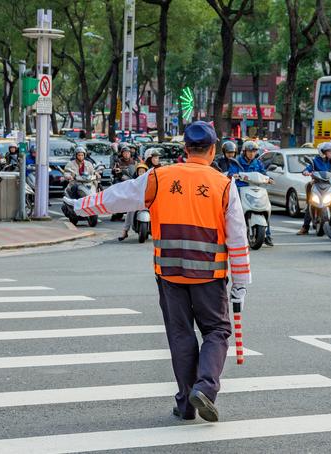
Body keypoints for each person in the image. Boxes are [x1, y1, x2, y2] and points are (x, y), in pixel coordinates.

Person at [63, 121, 250, 422]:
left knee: (180, 335)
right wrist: (240, 283)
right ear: (213, 151)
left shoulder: (159, 177)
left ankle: (187, 404)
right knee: (217, 331)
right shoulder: (223, 184)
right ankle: (205, 387)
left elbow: (116, 197)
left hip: (169, 273)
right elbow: (238, 239)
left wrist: (78, 205)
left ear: (185, 150)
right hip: (209, 276)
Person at [229, 140, 273, 246]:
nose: (252, 154)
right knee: (234, 210)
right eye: (249, 151)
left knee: (265, 208)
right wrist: (233, 175)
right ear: (244, 152)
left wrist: (269, 178)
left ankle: (268, 235)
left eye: (254, 151)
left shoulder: (257, 162)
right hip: (241, 188)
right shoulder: (237, 162)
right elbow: (231, 171)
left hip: (255, 188)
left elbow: (263, 172)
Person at [297, 142, 331, 235]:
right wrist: (306, 172)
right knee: (311, 203)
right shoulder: (315, 161)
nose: (330, 153)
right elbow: (308, 168)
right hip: (317, 184)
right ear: (322, 152)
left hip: (329, 185)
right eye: (328, 151)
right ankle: (305, 227)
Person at [118, 162, 150, 241]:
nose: (142, 173)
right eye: (140, 171)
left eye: (143, 171)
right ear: (137, 172)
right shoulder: (134, 182)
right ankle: (125, 231)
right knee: (130, 211)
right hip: (137, 203)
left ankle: (160, 232)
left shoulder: (151, 181)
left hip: (148, 202)